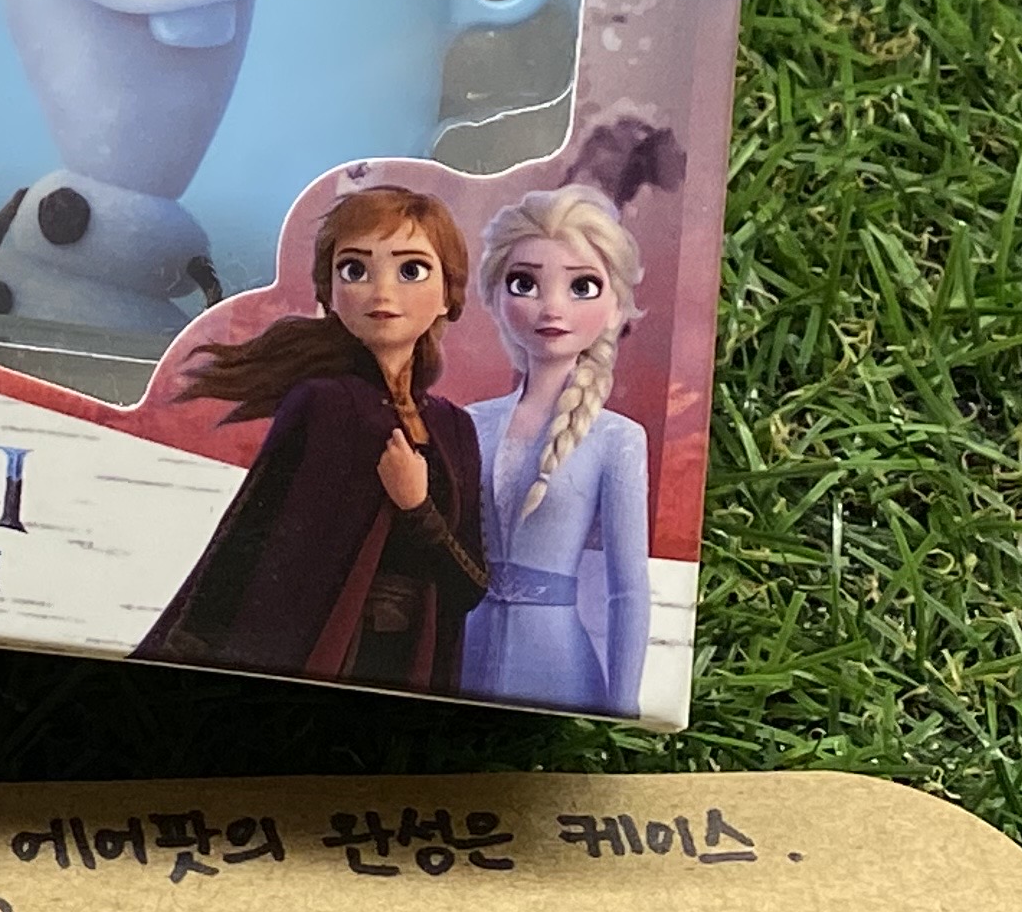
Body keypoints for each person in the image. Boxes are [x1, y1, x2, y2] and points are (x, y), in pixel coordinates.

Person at [136, 184, 489, 690]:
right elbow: (248, 543)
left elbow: (470, 585)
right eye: (355, 270)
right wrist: (186, 652)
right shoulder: (326, 405)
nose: (381, 291)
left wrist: (417, 508)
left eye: (411, 270)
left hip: (413, 672)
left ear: (448, 294)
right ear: (329, 291)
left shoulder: (455, 428)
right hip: (319, 660)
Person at [457, 184, 653, 718]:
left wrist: (622, 705)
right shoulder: (470, 423)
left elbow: (627, 590)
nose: (552, 307)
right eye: (525, 283)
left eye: (582, 286)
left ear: (615, 308)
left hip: (559, 669)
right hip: (463, 656)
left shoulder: (617, 439)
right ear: (496, 296)